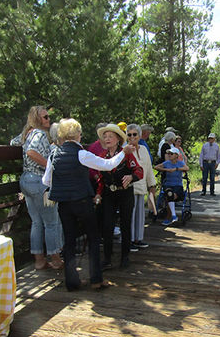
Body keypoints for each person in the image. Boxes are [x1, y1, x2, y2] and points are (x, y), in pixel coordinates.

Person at [42, 118, 135, 291]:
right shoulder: (81, 154)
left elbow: (46, 180)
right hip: (82, 201)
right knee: (93, 238)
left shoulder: (54, 154)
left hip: (64, 204)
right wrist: (124, 152)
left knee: (69, 242)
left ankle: (72, 282)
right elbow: (108, 165)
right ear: (78, 134)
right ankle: (95, 279)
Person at [11, 106, 64, 270]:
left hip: (26, 180)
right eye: (45, 117)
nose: (48, 119)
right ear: (37, 119)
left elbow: (13, 142)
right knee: (51, 222)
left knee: (36, 222)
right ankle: (56, 259)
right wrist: (49, 166)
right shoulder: (40, 134)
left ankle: (39, 260)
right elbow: (31, 152)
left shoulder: (28, 133)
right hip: (39, 182)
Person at [96, 124, 143, 270]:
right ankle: (108, 258)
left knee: (125, 224)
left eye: (110, 136)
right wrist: (98, 193)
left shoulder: (126, 154)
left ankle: (125, 257)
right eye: (105, 136)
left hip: (125, 193)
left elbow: (139, 170)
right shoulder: (102, 157)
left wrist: (131, 176)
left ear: (117, 139)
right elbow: (101, 179)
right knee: (107, 225)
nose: (107, 139)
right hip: (109, 194)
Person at [126, 124, 156, 250]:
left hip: (142, 187)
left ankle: (138, 238)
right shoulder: (124, 149)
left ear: (139, 136)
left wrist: (152, 185)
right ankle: (129, 240)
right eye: (129, 134)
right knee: (130, 215)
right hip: (129, 188)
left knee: (140, 214)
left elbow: (148, 168)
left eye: (135, 134)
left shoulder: (143, 149)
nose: (132, 137)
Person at [155, 147, 189, 226]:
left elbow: (187, 168)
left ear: (176, 155)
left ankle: (170, 217)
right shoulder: (167, 163)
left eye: (171, 153)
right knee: (169, 193)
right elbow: (156, 167)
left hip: (177, 186)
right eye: (168, 153)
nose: (169, 155)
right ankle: (173, 216)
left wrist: (176, 169)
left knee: (169, 196)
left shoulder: (180, 163)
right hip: (168, 185)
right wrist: (166, 170)